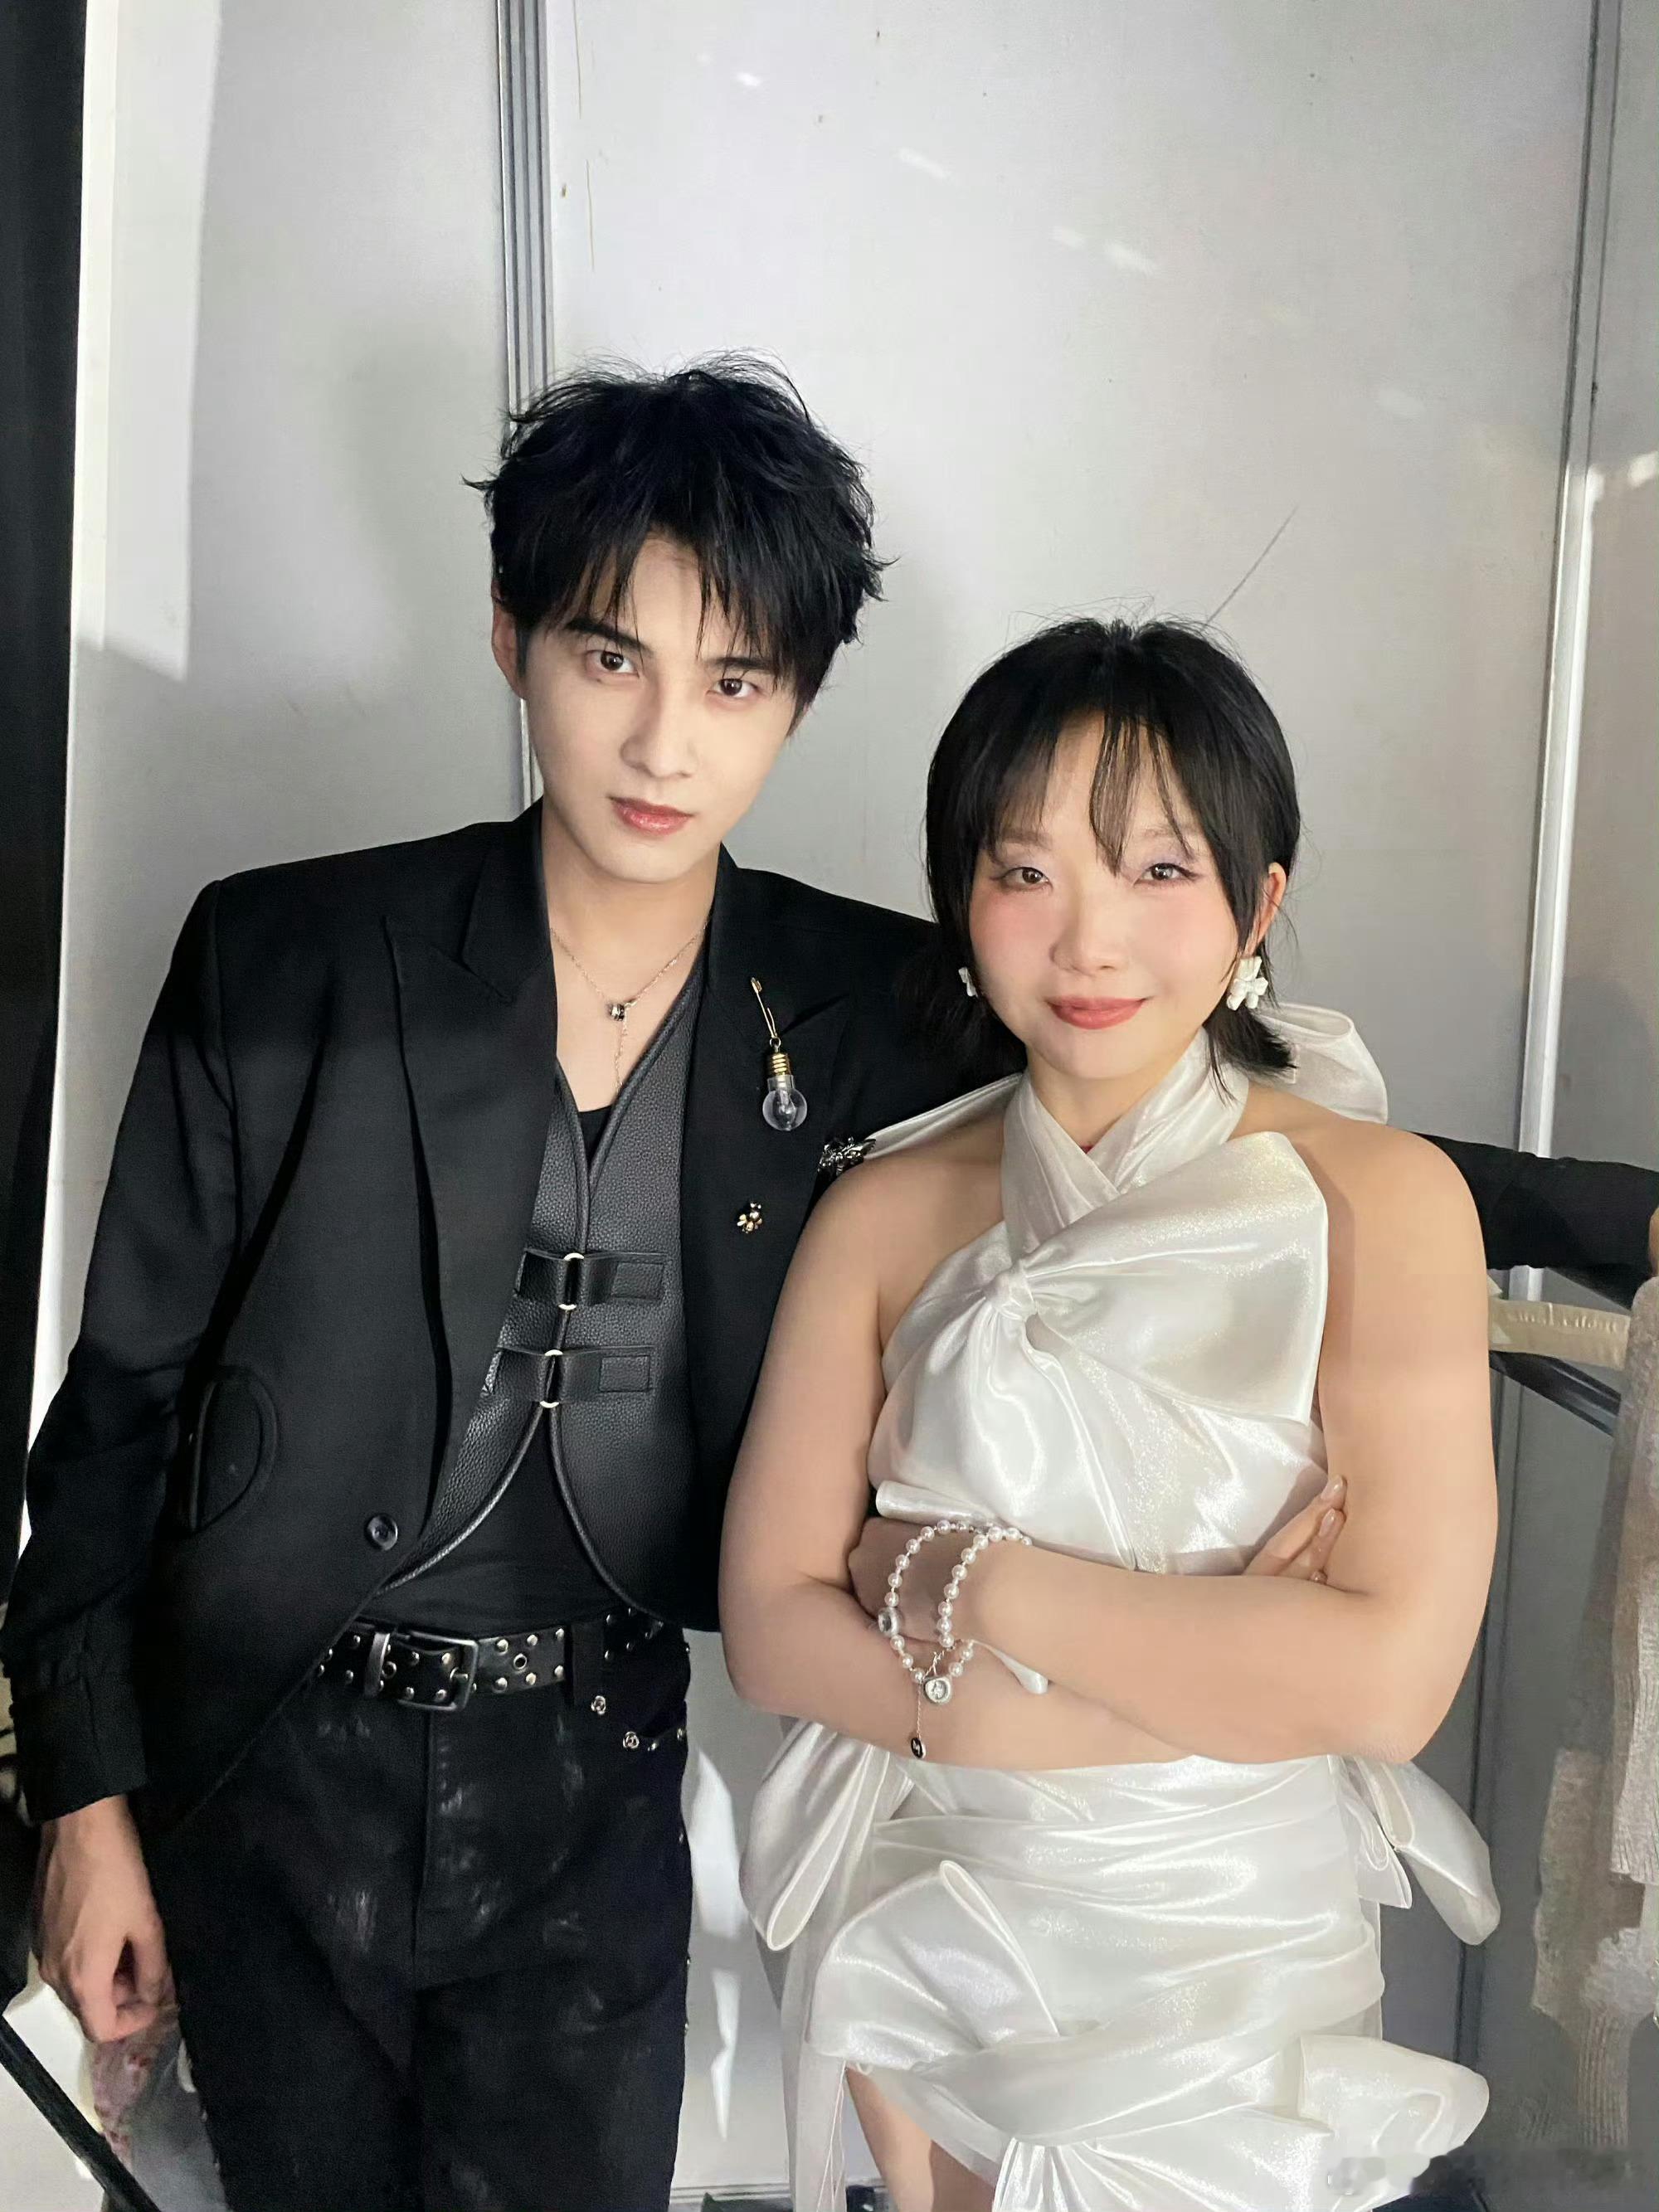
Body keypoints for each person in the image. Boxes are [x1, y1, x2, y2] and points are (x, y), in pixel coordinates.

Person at [4, 357, 1655, 2212]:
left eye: (735, 681)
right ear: (511, 638)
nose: (664, 744)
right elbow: (120, 1400)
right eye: (609, 656)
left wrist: (1615, 1216)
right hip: (265, 1749)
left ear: (795, 697)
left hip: (595, 1765)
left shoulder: (865, 994)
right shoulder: (285, 958)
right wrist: (82, 1801)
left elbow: (1213, 1103)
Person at [726, 615, 1508, 2212]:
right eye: (1027, 872)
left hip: (1237, 1975)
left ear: (1259, 904)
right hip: (948, 1947)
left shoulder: (1381, 1202)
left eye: (1159, 871)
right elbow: (770, 1628)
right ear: (962, 899)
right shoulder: (882, 1211)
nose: (1089, 941)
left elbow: (1390, 1681)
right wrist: (1198, 1682)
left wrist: (962, 1580)